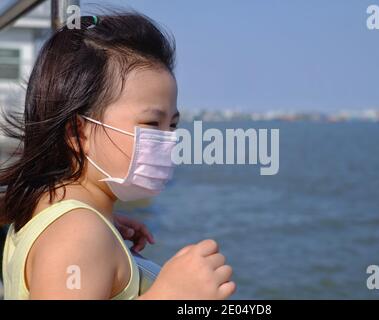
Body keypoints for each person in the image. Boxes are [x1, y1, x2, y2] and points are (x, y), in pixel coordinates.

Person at [0, 12, 235, 300]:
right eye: (151, 124)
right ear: (78, 133)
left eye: (172, 125)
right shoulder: (77, 235)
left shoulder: (55, 211)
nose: (168, 140)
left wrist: (101, 221)